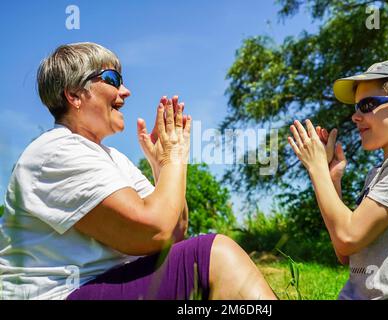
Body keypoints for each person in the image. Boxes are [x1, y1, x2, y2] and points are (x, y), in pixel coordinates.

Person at [0, 42, 276, 300]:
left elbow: (173, 232)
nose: (125, 91)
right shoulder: (57, 151)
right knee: (217, 256)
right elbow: (153, 231)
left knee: (202, 255)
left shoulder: (111, 157)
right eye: (112, 79)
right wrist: (173, 157)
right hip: (59, 294)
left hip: (103, 284)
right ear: (74, 95)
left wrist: (161, 168)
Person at [287, 60, 388, 299]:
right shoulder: (380, 172)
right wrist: (331, 181)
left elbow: (347, 238)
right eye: (356, 108)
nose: (355, 116)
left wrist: (317, 167)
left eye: (367, 105)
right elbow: (345, 251)